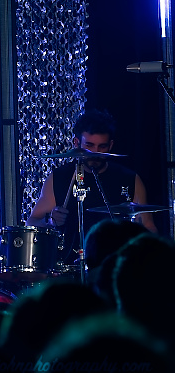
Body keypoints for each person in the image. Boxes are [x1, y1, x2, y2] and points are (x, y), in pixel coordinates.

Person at [26, 109, 156, 263]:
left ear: (111, 145)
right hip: (69, 266)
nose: (95, 152)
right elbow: (32, 221)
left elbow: (147, 226)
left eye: (102, 146)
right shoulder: (59, 178)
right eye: (89, 145)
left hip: (115, 264)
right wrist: (50, 222)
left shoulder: (129, 179)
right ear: (76, 143)